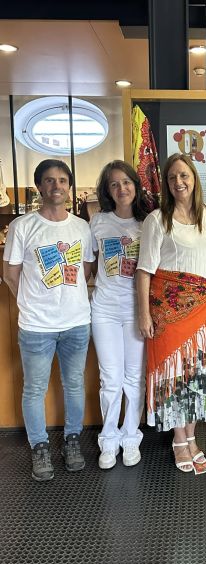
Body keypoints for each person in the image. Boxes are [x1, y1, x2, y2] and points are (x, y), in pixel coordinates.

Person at [3, 159, 94, 481]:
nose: (57, 186)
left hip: (76, 322)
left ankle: (72, 441)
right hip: (36, 326)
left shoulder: (82, 227)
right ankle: (39, 447)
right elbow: (10, 274)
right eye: (50, 180)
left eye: (62, 180)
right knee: (34, 389)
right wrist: (32, 301)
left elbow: (85, 270)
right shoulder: (22, 226)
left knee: (74, 384)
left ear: (69, 186)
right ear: (39, 186)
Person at [136, 153, 206, 473]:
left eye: (184, 175)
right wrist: (143, 314)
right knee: (174, 376)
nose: (179, 182)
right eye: (172, 177)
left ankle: (193, 439)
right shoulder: (157, 220)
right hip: (168, 313)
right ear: (166, 183)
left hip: (201, 311)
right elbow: (144, 271)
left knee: (197, 375)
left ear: (194, 178)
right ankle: (179, 441)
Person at [90, 160, 150, 470]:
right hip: (104, 311)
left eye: (126, 182)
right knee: (110, 379)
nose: (121, 188)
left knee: (134, 377)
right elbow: (89, 265)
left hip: (137, 311)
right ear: (107, 190)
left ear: (135, 186)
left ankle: (131, 436)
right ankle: (109, 439)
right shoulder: (98, 222)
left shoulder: (148, 223)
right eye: (114, 184)